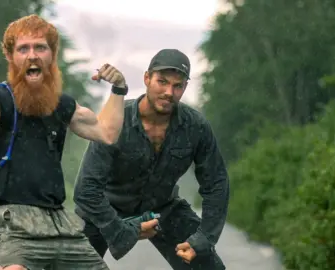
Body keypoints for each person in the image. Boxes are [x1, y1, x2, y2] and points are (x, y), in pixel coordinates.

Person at [0, 14, 129, 270]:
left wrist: (118, 89)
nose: (32, 55)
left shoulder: (62, 105)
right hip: (15, 226)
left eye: (40, 47)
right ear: (10, 56)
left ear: (52, 54)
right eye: (23, 48)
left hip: (60, 224)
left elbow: (106, 132)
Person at [73, 49, 229, 269]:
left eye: (177, 86)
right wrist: (122, 231)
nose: (168, 92)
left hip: (163, 208)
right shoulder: (118, 120)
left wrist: (204, 238)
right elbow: (86, 189)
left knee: (208, 266)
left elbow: (216, 184)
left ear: (184, 88)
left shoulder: (196, 127)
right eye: (162, 82)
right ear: (147, 78)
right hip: (105, 210)